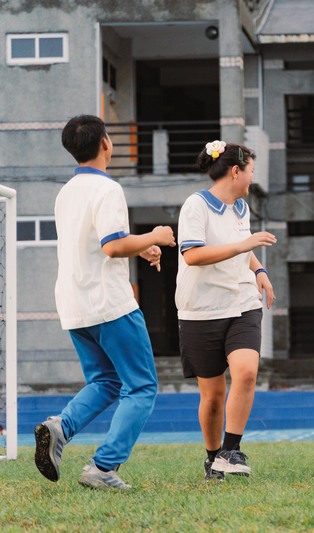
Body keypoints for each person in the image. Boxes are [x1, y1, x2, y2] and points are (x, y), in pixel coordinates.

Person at [35, 114, 176, 490]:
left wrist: (140, 247)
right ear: (106, 144)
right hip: (108, 303)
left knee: (106, 380)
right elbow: (112, 245)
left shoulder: (66, 192)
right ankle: (103, 466)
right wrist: (157, 235)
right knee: (142, 386)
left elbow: (100, 243)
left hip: (74, 303)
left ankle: (60, 427)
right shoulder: (108, 189)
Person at [176, 140, 276, 482]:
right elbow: (192, 255)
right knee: (213, 396)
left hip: (242, 304)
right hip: (200, 310)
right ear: (235, 171)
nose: (252, 180)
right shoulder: (196, 206)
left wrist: (259, 270)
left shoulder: (241, 208)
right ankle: (213, 456)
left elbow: (242, 249)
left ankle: (231, 450)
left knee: (247, 372)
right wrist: (243, 245)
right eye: (250, 172)